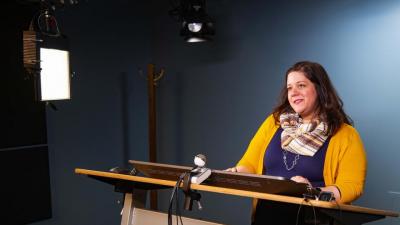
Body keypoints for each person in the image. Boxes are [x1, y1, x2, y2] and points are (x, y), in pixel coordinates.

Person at [226, 61, 367, 224]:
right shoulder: (274, 122)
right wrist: (232, 174)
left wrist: (312, 191)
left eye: (301, 85)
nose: (293, 93)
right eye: (289, 88)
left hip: (313, 218)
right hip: (266, 216)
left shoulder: (346, 135)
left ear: (319, 89)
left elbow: (352, 186)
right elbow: (249, 164)